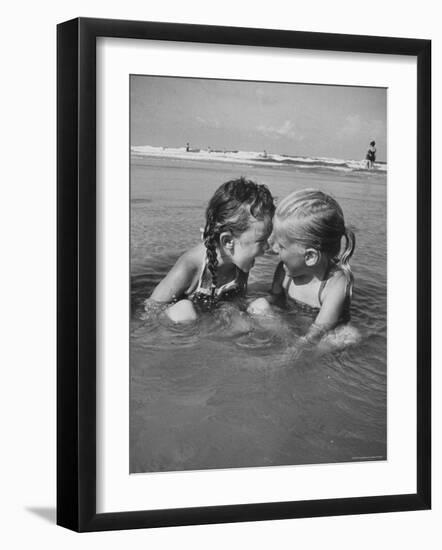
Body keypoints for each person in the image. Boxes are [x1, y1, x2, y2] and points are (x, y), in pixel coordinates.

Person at [145, 177, 275, 323]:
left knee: (260, 306)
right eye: (261, 241)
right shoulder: (190, 265)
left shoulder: (239, 261)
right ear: (228, 241)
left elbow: (236, 300)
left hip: (207, 317)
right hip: (181, 320)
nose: (268, 247)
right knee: (184, 311)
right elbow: (151, 307)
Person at [247, 189, 355, 347]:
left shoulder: (335, 284)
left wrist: (300, 346)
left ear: (310, 257)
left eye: (281, 246)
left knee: (349, 336)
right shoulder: (284, 270)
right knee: (259, 306)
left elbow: (321, 328)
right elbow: (276, 298)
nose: (274, 248)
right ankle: (288, 344)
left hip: (318, 334)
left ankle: (302, 355)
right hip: (289, 327)